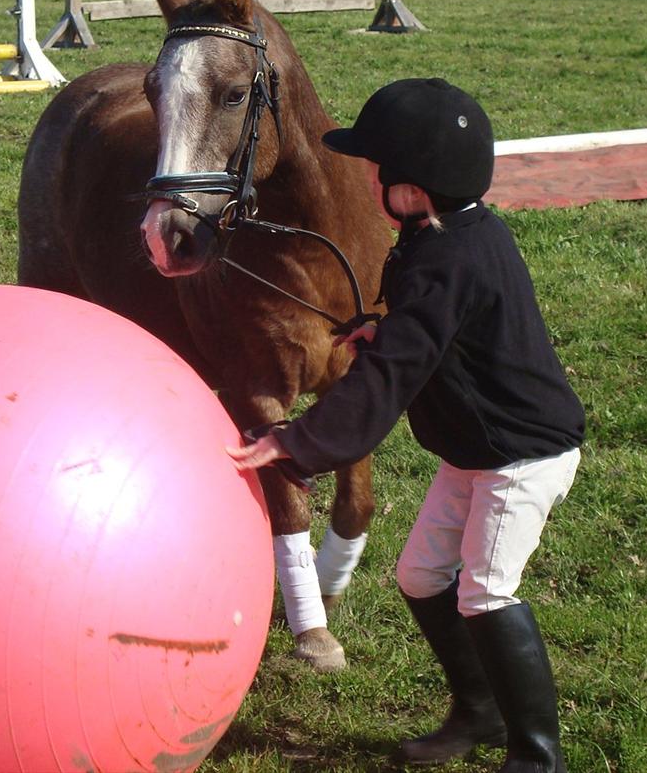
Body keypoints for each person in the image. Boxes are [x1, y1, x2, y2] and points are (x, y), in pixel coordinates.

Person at [227, 78, 585, 772]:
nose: (362, 176)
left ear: (412, 190)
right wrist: (379, 325)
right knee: (423, 576)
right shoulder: (445, 236)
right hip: (475, 450)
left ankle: (539, 758)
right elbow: (431, 329)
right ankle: (477, 712)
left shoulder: (448, 259)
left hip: (521, 454)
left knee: (484, 591)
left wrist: (296, 443)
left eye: (373, 169)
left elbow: (389, 378)